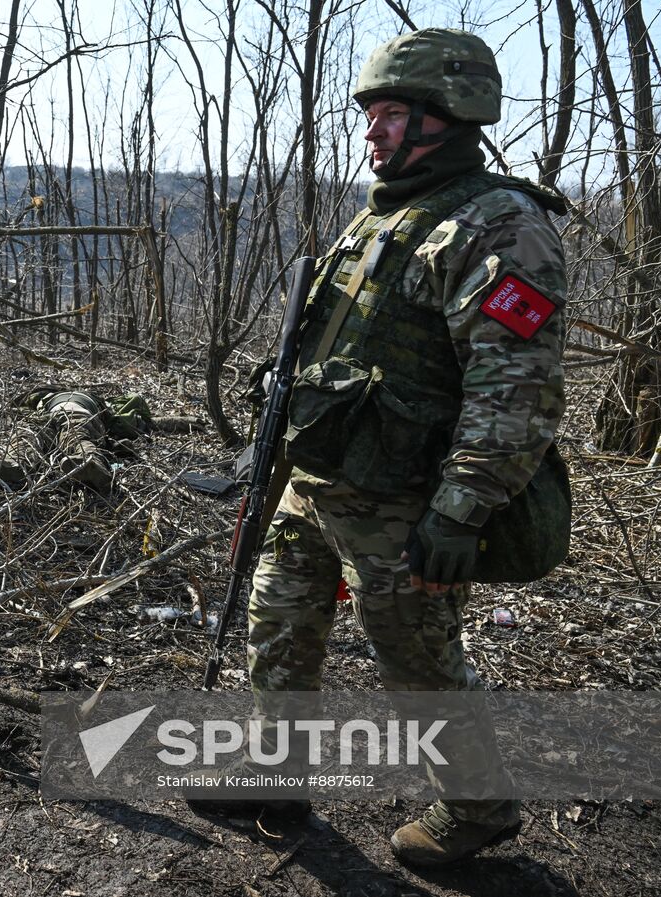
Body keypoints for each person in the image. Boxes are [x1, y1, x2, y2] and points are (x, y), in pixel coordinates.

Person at [221, 29, 568, 866]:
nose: (371, 132)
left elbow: (515, 392)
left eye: (388, 114)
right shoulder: (386, 215)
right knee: (277, 618)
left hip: (407, 497)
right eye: (370, 115)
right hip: (321, 476)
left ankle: (479, 807)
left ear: (447, 116)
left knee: (416, 660)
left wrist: (461, 509)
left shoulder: (500, 227)